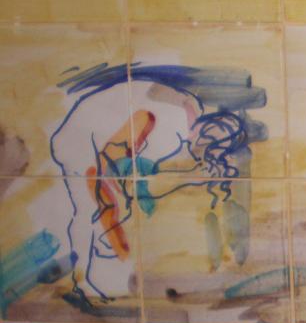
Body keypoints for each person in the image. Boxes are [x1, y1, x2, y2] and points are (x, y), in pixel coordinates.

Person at [50, 63, 264, 309]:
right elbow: (135, 178)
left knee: (107, 210)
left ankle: (102, 279)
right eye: (215, 152)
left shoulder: (188, 118)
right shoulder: (174, 129)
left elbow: (146, 174)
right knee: (92, 210)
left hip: (106, 134)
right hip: (79, 140)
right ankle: (88, 283)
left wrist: (184, 176)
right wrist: (183, 177)